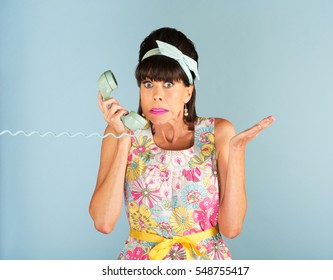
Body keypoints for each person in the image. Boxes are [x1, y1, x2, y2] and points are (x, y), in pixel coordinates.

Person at [89, 27, 275, 260]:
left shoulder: (219, 133)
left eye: (168, 84)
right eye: (148, 84)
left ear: (188, 91)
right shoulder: (119, 132)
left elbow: (232, 229)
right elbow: (103, 222)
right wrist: (124, 138)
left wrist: (237, 151)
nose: (157, 94)